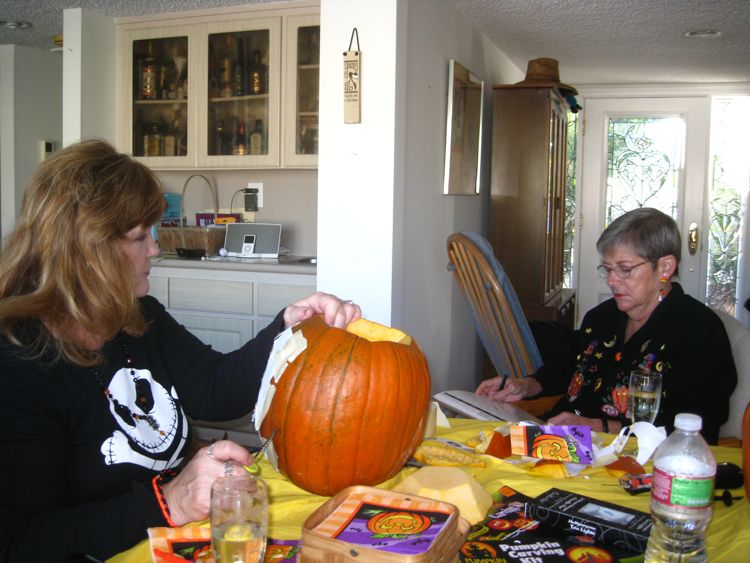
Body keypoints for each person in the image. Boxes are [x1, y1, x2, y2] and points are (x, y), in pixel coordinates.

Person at [0, 140, 361, 562]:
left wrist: (288, 327)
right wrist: (168, 502)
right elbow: (18, 542)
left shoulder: (136, 316)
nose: (154, 249)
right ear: (86, 250)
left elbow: (216, 389)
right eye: (140, 236)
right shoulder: (16, 365)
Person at [477, 207, 737, 444]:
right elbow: (571, 368)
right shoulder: (602, 318)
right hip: (562, 442)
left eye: (625, 269)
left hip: (639, 460)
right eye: (608, 268)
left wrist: (596, 426)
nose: (612, 281)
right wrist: (524, 385)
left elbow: (698, 425)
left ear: (665, 267)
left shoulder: (698, 331)